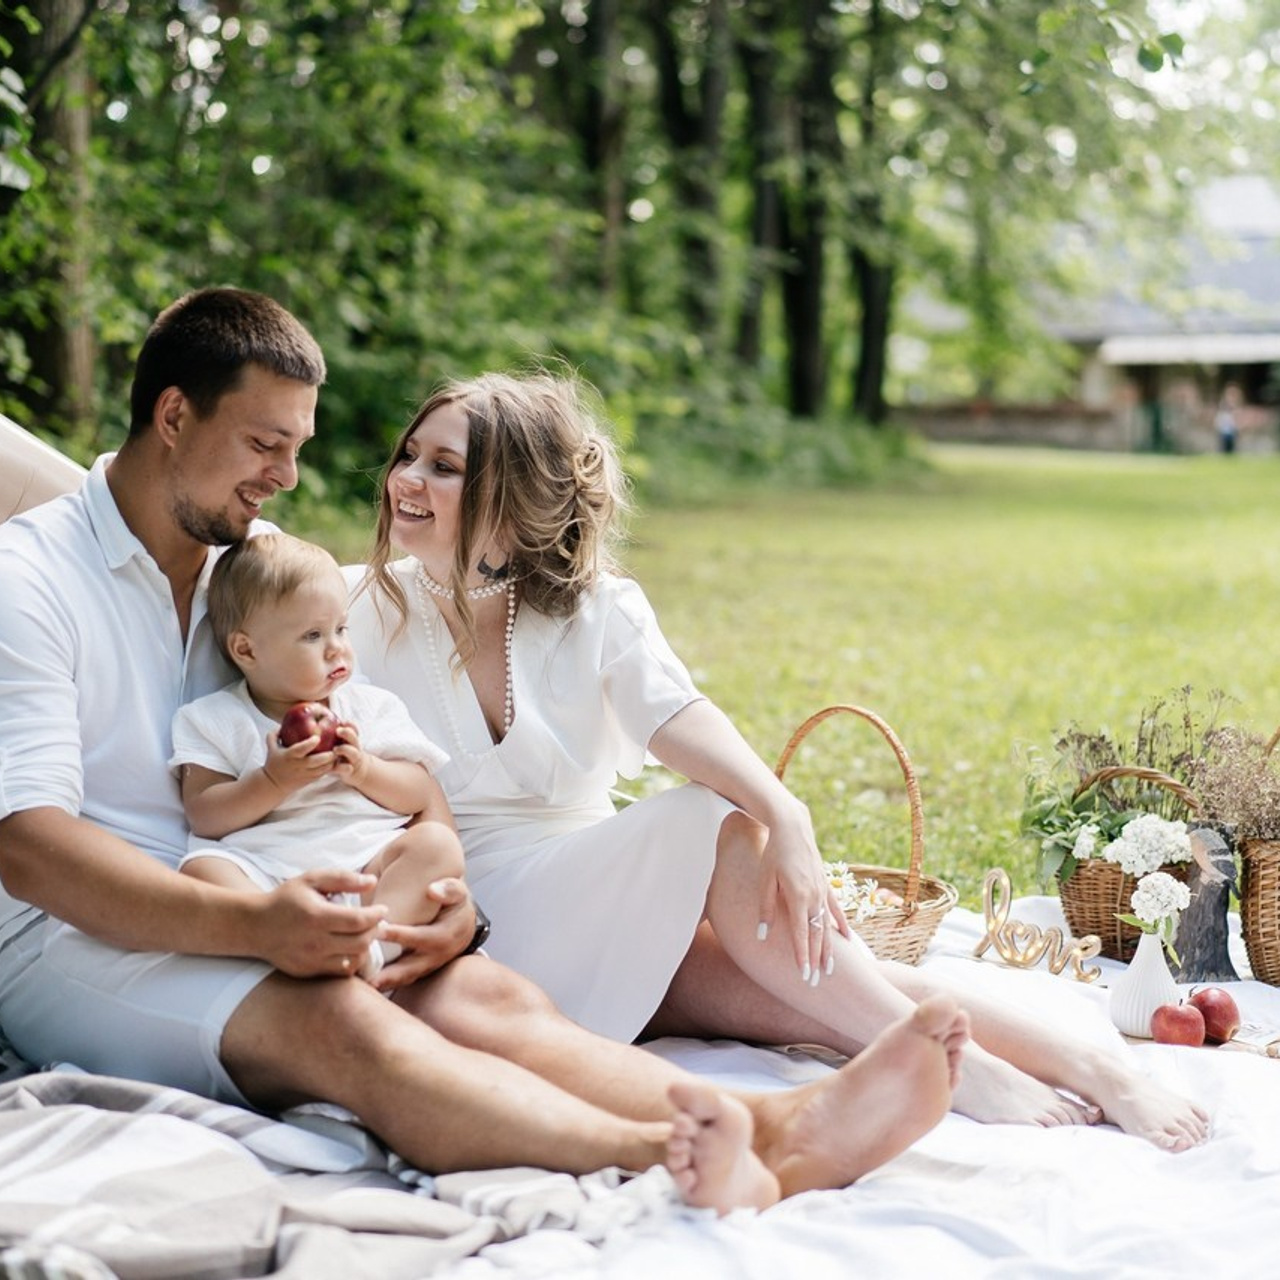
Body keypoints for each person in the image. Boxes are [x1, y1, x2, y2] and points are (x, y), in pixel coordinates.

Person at [0, 285, 969, 1215]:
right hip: (73, 934)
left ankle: (774, 1123)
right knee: (341, 1022)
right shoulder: (30, 580)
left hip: (269, 874)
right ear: (173, 414)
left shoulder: (250, 569)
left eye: (295, 446)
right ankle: (700, 1149)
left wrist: (438, 891)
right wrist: (256, 925)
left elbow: (370, 758)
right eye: (264, 443)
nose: (287, 476)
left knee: (480, 989)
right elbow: (29, 848)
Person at [348, 369, 1211, 1154]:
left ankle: (1100, 1073)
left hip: (594, 886)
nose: (407, 482)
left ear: (512, 495)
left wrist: (787, 816)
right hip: (485, 921)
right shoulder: (354, 608)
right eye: (409, 458)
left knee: (815, 981)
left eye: (444, 467)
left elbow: (681, 717)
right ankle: (944, 1063)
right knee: (709, 819)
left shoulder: (594, 608)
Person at [172, 532, 461, 979]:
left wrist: (365, 770)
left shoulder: (370, 708)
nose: (337, 648)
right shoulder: (213, 718)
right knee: (201, 869)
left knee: (436, 846)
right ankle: (276, 945)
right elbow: (204, 815)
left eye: (340, 629)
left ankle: (373, 945)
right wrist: (273, 781)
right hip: (268, 877)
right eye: (312, 635)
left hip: (367, 866)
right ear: (246, 650)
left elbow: (419, 792)